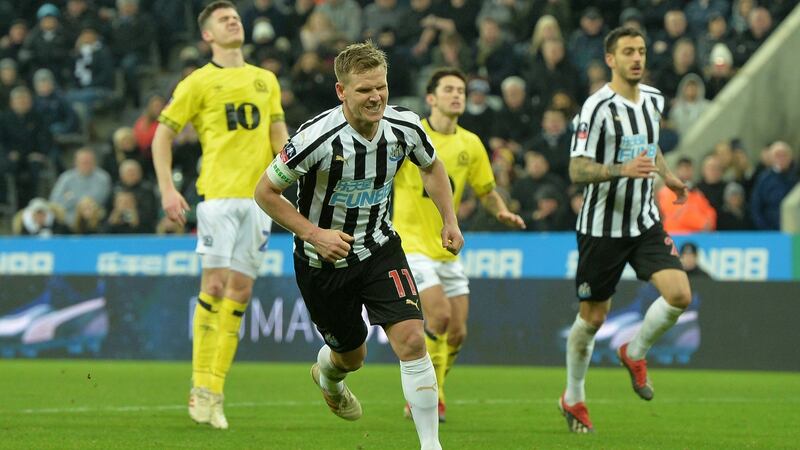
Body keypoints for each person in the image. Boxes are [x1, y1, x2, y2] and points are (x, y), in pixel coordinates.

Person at [254, 41, 462, 450]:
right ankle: (329, 377)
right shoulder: (315, 137)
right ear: (341, 92)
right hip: (321, 262)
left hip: (380, 249)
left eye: (381, 87)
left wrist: (449, 219)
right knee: (352, 356)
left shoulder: (405, 127)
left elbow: (432, 166)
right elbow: (265, 192)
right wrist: (314, 234)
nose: (376, 97)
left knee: (413, 341)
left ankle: (430, 445)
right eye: (365, 89)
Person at [151, 1, 289, 430]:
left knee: (241, 294)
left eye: (236, 16)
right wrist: (168, 189)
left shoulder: (266, 80)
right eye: (223, 19)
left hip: (259, 201)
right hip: (217, 198)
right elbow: (162, 136)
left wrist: (292, 175)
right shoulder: (198, 82)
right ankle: (199, 385)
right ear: (207, 35)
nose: (234, 21)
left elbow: (278, 136)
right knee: (213, 284)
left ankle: (215, 390)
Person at [562, 27, 693, 434]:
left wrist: (667, 176)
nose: (637, 58)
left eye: (641, 51)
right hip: (602, 229)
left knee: (678, 295)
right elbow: (576, 168)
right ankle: (574, 396)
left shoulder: (653, 99)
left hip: (644, 221)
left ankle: (634, 351)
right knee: (592, 319)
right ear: (610, 60)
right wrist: (621, 170)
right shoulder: (596, 108)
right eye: (628, 52)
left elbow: (650, 146)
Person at [392, 68, 525, 422]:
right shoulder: (410, 135)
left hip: (447, 247)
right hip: (410, 244)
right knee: (439, 315)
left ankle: (423, 393)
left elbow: (485, 190)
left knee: (458, 332)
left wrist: (502, 212)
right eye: (448, 89)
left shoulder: (471, 144)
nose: (457, 95)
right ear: (431, 98)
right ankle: (432, 398)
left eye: (461, 91)